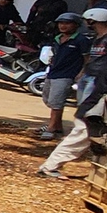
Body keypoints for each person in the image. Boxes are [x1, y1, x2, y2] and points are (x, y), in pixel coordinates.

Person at [41, 7, 107, 177]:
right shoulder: (99, 42)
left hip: (100, 91)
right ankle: (50, 167)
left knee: (89, 132)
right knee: (84, 131)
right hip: (98, 94)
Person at [39, 12, 89, 141]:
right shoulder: (57, 38)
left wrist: (81, 73)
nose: (63, 26)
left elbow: (87, 59)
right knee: (48, 100)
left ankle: (51, 128)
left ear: (76, 25)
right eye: (61, 23)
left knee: (56, 102)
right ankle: (57, 126)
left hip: (67, 75)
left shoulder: (81, 40)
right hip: (53, 72)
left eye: (67, 23)